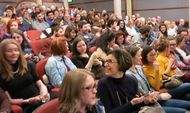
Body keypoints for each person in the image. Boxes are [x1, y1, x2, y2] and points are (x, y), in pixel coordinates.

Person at [126, 45, 190, 112]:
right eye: (151, 55)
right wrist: (159, 95)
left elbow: (161, 79)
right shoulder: (134, 73)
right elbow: (155, 87)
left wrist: (171, 77)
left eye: (155, 54)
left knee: (187, 97)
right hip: (152, 100)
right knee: (187, 87)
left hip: (157, 95)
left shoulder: (139, 68)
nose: (141, 57)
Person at [0, 39, 50, 113]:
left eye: (16, 50)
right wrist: (28, 101)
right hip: (26, 104)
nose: (14, 53)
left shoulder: (29, 64)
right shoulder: (1, 73)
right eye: (9, 51)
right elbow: (9, 100)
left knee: (60, 97)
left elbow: (40, 84)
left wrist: (43, 93)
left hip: (39, 97)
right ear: (2, 53)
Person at [97, 48, 146, 113]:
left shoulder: (132, 80)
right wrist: (131, 103)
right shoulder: (103, 84)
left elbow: (136, 107)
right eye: (105, 61)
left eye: (109, 61)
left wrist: (146, 101)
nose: (105, 64)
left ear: (121, 63)